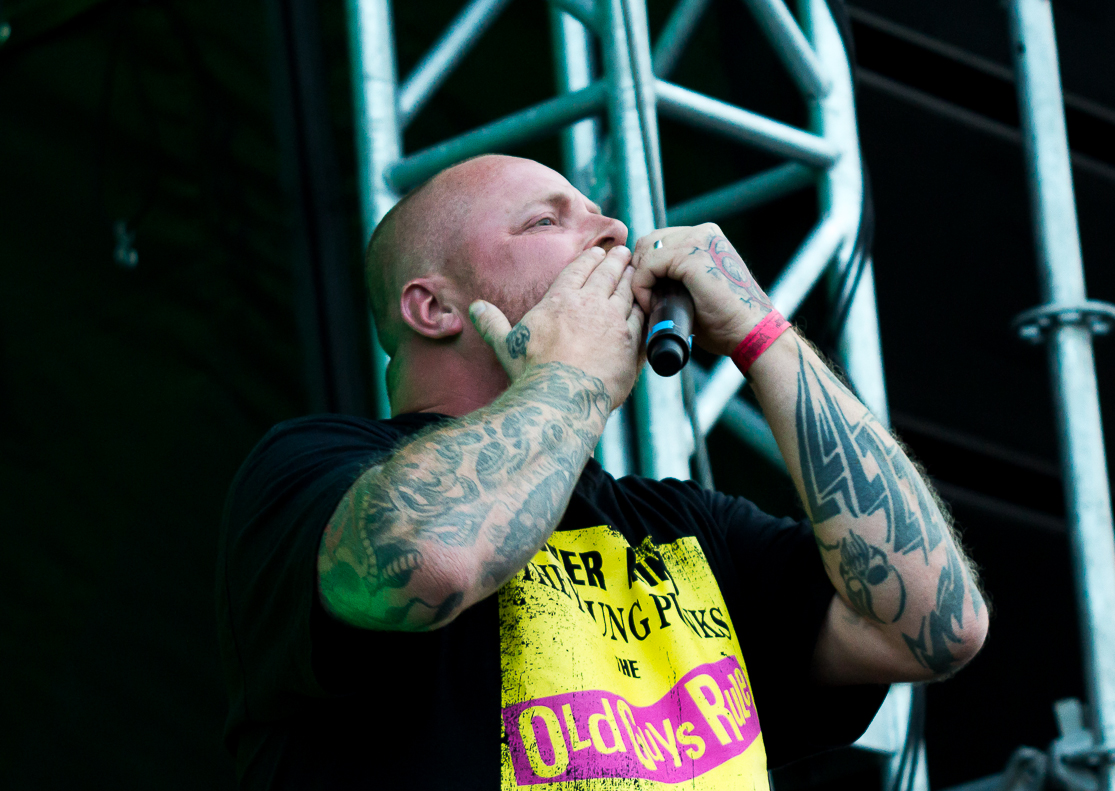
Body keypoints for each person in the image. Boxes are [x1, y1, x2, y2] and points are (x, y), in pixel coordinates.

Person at [216, 154, 989, 790]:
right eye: (547, 220)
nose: (615, 232)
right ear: (435, 309)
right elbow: (427, 560)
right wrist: (575, 378)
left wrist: (762, 333)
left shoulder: (688, 530)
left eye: (601, 215)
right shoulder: (315, 467)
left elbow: (937, 625)